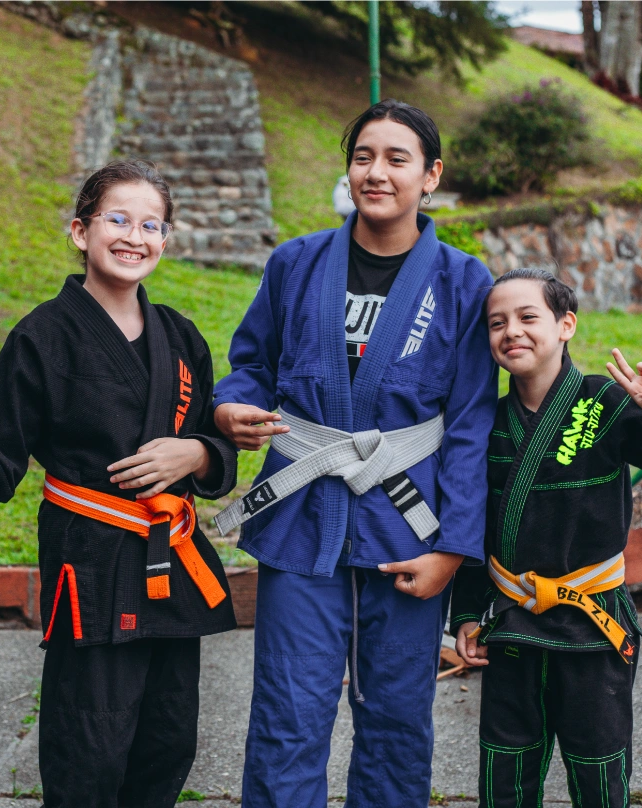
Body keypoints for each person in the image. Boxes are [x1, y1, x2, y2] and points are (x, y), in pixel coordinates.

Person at [211, 99, 499, 807]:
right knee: (286, 715)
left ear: (429, 175)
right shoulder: (296, 263)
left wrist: (453, 548)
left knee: (397, 720)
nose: (376, 172)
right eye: (363, 156)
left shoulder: (463, 283)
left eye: (396, 159)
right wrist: (230, 404)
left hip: (407, 532)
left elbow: (468, 425)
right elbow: (250, 361)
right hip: (301, 520)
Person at [0, 159, 239, 808]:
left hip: (171, 564)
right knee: (89, 747)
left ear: (166, 240)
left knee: (167, 741)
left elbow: (215, 447)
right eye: (118, 219)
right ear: (80, 232)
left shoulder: (181, 338)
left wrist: (193, 453)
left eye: (152, 224)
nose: (135, 236)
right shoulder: (43, 338)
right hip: (92, 569)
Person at [452, 267, 642, 808]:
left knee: (599, 770)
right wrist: (465, 614)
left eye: (529, 317)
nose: (512, 332)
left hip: (593, 622)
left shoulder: (607, 401)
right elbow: (471, 527)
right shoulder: (486, 420)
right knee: (504, 775)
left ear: (565, 325)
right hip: (512, 622)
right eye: (497, 323)